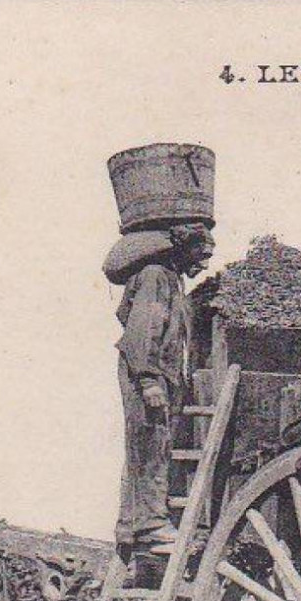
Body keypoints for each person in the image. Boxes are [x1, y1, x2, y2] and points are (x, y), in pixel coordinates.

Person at [105, 221, 215, 559]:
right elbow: (142, 327)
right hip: (147, 374)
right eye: (201, 254)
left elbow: (125, 311)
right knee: (150, 444)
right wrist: (149, 379)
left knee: (147, 446)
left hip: (157, 372)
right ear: (182, 249)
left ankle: (130, 524)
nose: (205, 263)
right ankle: (151, 525)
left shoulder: (172, 280)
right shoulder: (156, 275)